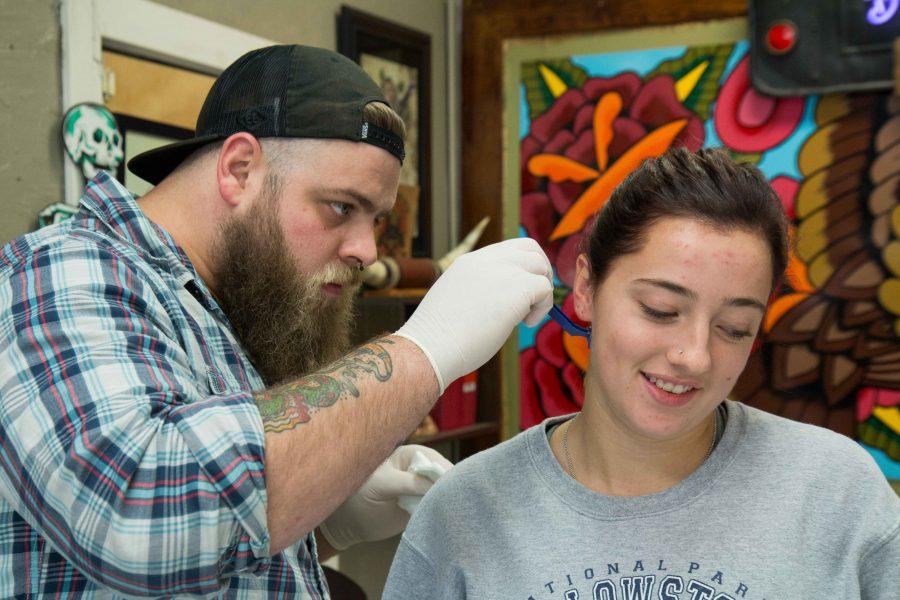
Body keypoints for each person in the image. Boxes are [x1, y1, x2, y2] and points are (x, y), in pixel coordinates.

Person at [0, 45, 554, 597]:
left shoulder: (236, 305)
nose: (365, 249)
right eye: (341, 206)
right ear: (240, 170)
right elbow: (134, 514)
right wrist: (423, 351)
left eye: (376, 219)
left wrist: (328, 526)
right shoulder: (56, 274)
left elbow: (214, 565)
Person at [384, 147, 900, 599]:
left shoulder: (838, 494)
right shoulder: (466, 513)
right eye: (659, 309)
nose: (695, 356)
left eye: (735, 328)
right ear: (585, 289)